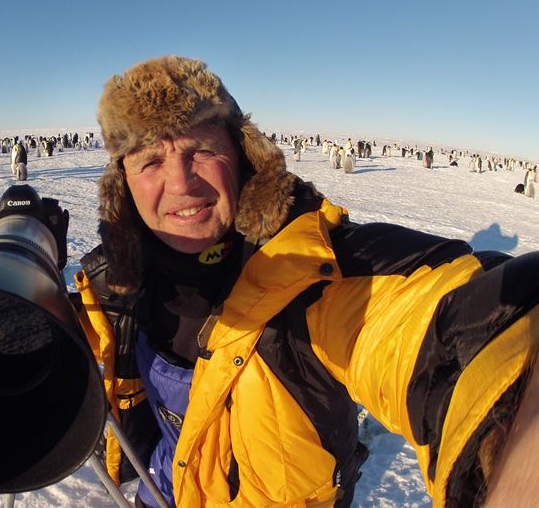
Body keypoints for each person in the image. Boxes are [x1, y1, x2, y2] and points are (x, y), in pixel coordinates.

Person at [70, 55, 539, 508]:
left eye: (202, 150)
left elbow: (447, 326)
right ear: (123, 184)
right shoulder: (115, 288)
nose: (181, 182)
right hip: (163, 490)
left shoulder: (314, 274)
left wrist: (516, 420)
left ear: (243, 157)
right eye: (150, 161)